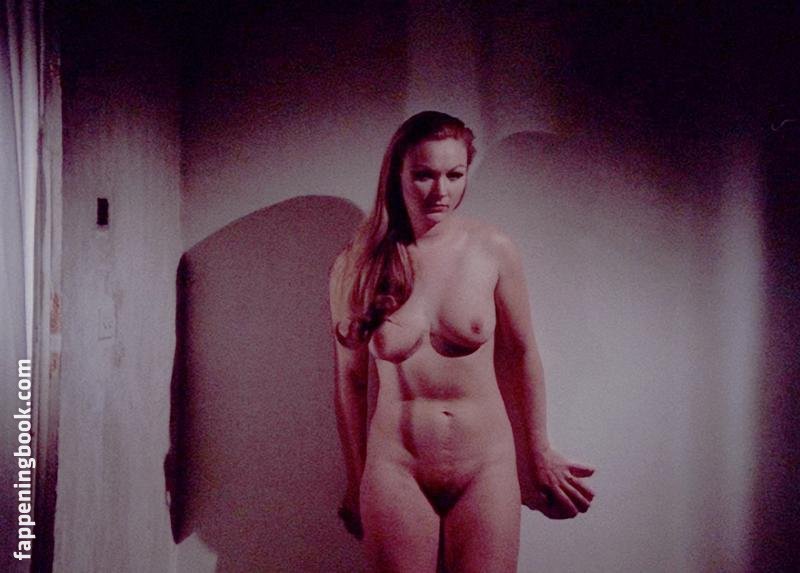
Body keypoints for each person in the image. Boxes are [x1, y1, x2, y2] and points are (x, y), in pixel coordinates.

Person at [328, 111, 595, 572]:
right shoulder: (358, 265)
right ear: (396, 174)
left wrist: (538, 453)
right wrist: (355, 479)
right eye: (424, 175)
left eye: (454, 175)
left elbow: (522, 354)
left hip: (486, 467)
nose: (441, 191)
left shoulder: (492, 250)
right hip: (396, 469)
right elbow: (349, 382)